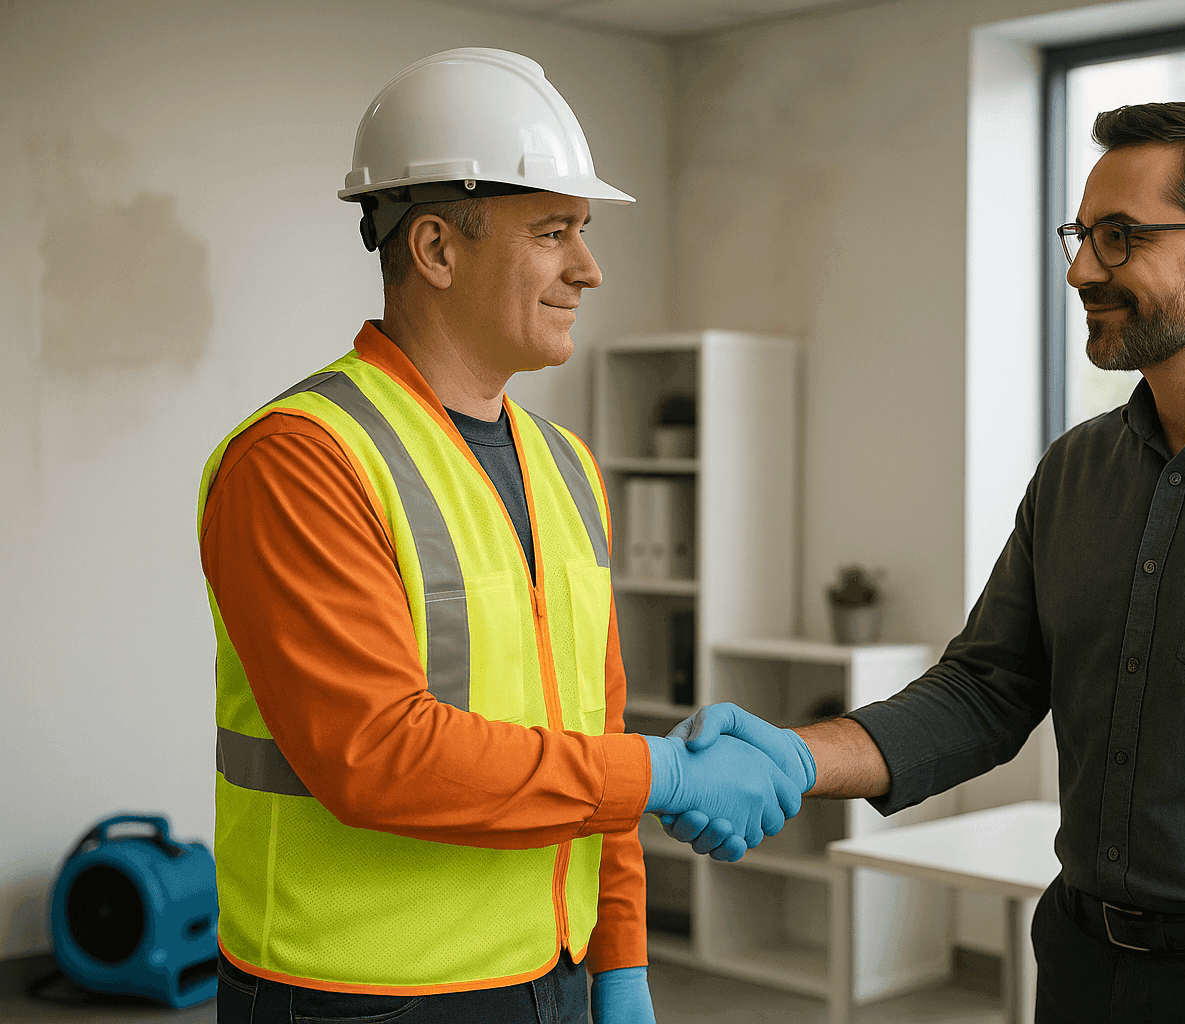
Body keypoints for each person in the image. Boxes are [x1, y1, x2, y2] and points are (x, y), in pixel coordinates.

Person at [666, 101, 1185, 1024]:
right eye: (1082, 234)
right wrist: (793, 757)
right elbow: (985, 690)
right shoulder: (1075, 470)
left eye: (1119, 238)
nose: (1080, 270)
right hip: (1080, 966)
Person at [198, 48, 807, 1024]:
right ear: (436, 249)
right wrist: (667, 774)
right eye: (553, 232)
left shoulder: (567, 467)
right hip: (362, 999)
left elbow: (595, 736)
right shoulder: (302, 460)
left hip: (549, 975)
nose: (589, 269)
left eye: (583, 233)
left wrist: (621, 961)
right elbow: (375, 751)